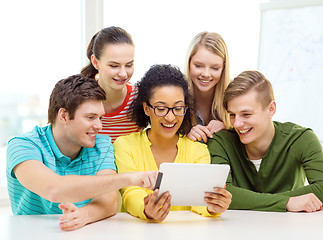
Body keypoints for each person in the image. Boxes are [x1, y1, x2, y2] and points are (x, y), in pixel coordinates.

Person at [6, 74, 158, 231]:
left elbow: (110, 200)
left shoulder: (102, 144)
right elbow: (54, 189)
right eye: (91, 117)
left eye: (100, 117)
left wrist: (83, 215)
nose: (99, 126)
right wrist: (130, 178)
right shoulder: (22, 145)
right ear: (64, 116)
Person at [207, 70, 323, 212]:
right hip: (234, 231)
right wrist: (287, 202)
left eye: (246, 114)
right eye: (232, 115)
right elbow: (219, 196)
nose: (237, 123)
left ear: (271, 109)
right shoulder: (220, 141)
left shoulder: (301, 139)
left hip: (288, 230)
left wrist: (251, 200)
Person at [114, 64, 232, 222]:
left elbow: (198, 201)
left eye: (178, 108)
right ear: (146, 108)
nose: (170, 118)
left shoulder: (198, 151)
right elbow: (130, 193)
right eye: (161, 108)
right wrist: (146, 209)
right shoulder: (125, 145)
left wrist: (212, 206)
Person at [81, 26, 138, 143]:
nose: (123, 74)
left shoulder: (139, 98)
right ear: (96, 62)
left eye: (129, 65)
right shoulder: (80, 100)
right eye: (114, 66)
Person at [184, 31, 231, 143]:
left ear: (223, 68)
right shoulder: (176, 97)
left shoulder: (233, 98)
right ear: (189, 63)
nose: (206, 74)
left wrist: (228, 128)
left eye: (215, 68)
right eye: (199, 66)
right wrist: (185, 139)